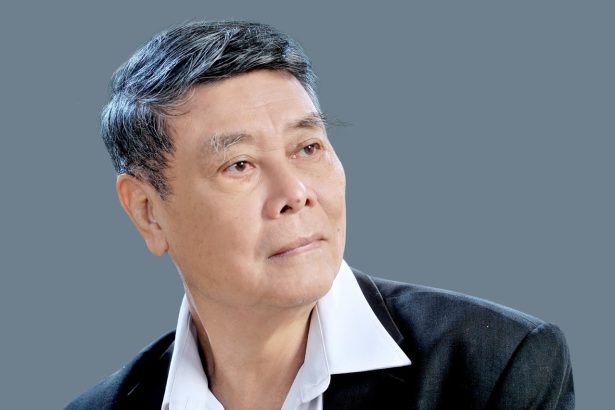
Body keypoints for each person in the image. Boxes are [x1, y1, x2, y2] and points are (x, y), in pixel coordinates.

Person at [66, 20, 574, 410]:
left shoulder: (491, 368)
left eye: (308, 148)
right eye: (239, 165)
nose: (295, 193)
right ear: (148, 212)